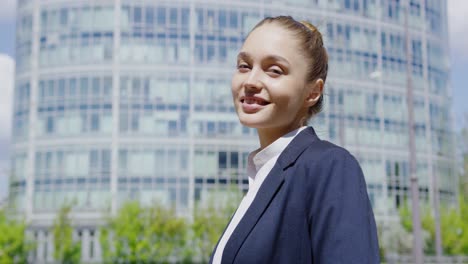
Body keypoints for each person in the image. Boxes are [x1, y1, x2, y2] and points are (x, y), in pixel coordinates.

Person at [209, 16, 380, 263]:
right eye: (244, 66)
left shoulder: (329, 166)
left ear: (313, 92)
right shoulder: (261, 179)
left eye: (274, 70)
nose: (250, 81)